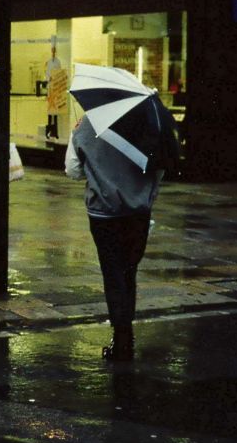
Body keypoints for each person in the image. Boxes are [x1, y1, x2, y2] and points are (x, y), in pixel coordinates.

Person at [66, 113, 177, 362]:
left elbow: (72, 170)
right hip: (137, 211)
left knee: (112, 272)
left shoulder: (87, 123)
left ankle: (122, 336)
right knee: (129, 272)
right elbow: (159, 169)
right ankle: (125, 332)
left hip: (103, 213)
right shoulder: (148, 123)